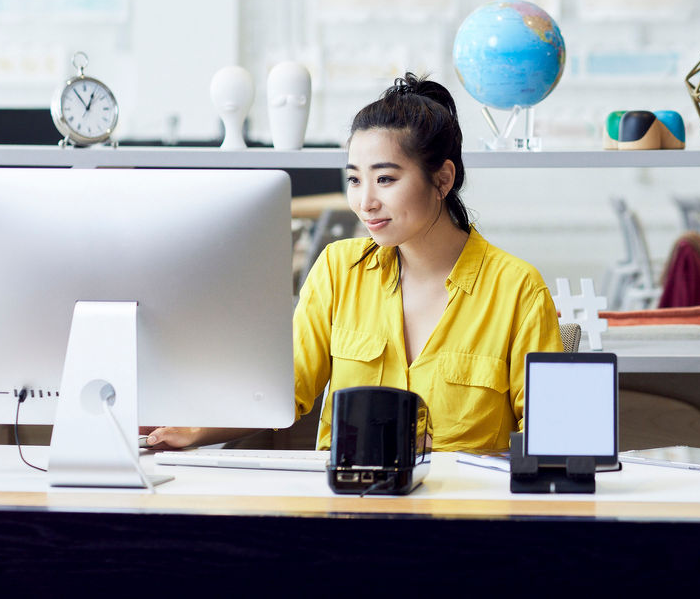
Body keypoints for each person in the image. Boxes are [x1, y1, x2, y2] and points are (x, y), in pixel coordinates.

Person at [145, 73, 563, 452]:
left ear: (442, 179)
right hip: (347, 508)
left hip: (459, 517)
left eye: (385, 179)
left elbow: (552, 435)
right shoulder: (337, 269)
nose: (365, 202)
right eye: (354, 179)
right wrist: (197, 429)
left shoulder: (517, 288)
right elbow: (282, 391)